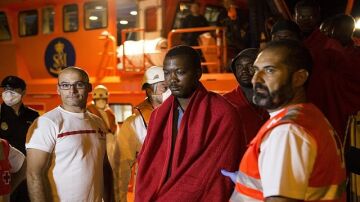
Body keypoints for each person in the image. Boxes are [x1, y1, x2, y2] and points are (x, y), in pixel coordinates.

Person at [229, 40, 346, 201]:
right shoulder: (307, 116)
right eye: (256, 70)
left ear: (299, 78)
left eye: (269, 70)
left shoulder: (287, 132)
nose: (256, 79)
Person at [135, 45, 243, 201]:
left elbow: (219, 171)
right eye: (167, 73)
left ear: (198, 74)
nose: (172, 79)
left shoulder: (223, 112)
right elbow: (148, 166)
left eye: (180, 72)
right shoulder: (158, 115)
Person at [26, 67, 113, 202]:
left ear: (89, 87)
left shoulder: (98, 122)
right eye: (65, 85)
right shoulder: (47, 123)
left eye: (79, 84)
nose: (72, 91)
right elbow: (34, 174)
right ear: (58, 89)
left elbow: (104, 166)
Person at [114, 66, 169, 202]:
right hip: (149, 194)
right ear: (149, 90)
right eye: (163, 86)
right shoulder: (133, 124)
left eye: (168, 86)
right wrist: (119, 199)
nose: (168, 91)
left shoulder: (182, 115)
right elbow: (121, 167)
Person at [0, 75, 39, 202]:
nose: (8, 93)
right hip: (5, 172)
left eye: (13, 89)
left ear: (23, 92)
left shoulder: (33, 115)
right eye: (5, 89)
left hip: (27, 171)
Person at [223, 48, 268, 154]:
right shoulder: (226, 102)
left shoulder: (275, 99)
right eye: (239, 66)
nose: (244, 71)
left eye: (250, 66)